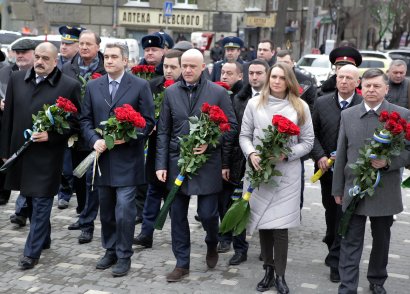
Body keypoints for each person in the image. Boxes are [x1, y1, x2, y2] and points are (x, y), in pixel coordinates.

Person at [156, 49, 237, 282]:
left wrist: (210, 145)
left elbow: (231, 126)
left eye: (193, 66)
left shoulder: (218, 93)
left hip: (207, 163)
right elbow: (163, 131)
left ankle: (212, 242)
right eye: (185, 65)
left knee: (208, 214)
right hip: (176, 162)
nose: (188, 70)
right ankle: (182, 263)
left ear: (204, 68)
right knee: (177, 214)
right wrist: (160, 164)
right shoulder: (170, 92)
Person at [0, 42, 81, 269]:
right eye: (37, 56)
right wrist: (4, 151)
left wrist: (52, 136)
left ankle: (31, 253)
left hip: (47, 156)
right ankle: (43, 239)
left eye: (46, 58)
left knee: (42, 200)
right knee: (30, 198)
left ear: (56, 62)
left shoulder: (69, 86)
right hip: (20, 153)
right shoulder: (17, 80)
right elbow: (9, 118)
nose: (39, 62)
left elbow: (76, 124)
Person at [332, 68, 410, 294]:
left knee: (381, 240)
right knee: (350, 239)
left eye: (377, 86)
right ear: (361, 88)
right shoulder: (348, 115)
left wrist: (388, 162)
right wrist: (337, 188)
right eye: (367, 86)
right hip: (353, 188)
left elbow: (408, 151)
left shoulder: (402, 115)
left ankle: (377, 280)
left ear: (386, 89)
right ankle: (347, 286)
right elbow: (341, 154)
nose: (371, 90)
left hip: (384, 190)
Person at [81, 42, 154, 277]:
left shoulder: (140, 86)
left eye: (114, 57)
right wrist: (94, 140)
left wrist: (127, 137)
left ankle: (124, 255)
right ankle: (110, 249)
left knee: (124, 209)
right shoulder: (93, 87)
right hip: (102, 160)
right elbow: (85, 120)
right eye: (107, 57)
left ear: (126, 61)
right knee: (108, 210)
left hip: (128, 160)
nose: (109, 61)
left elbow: (148, 121)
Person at [240, 63, 314, 293]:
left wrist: (287, 154)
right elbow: (244, 136)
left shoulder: (300, 106)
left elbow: (308, 142)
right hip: (260, 171)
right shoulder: (254, 104)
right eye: (273, 77)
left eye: (282, 77)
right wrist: (252, 153)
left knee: (281, 227)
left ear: (289, 80)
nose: (277, 81)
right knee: (263, 223)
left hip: (287, 174)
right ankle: (268, 270)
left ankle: (280, 275)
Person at [310, 64, 362, 283]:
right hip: (327, 172)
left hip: (354, 174)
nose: (344, 81)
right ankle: (332, 242)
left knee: (346, 216)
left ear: (357, 83)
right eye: (341, 77)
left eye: (349, 78)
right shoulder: (322, 103)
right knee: (332, 216)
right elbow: (310, 135)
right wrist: (320, 155)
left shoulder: (363, 105)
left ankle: (337, 261)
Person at [133, 49, 183, 249]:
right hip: (156, 147)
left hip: (178, 149)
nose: (168, 71)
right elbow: (143, 112)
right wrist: (149, 124)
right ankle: (146, 233)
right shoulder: (153, 85)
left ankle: (179, 235)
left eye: (173, 67)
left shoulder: (185, 88)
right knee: (153, 190)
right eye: (166, 66)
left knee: (176, 194)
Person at [224, 58, 270, 266]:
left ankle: (267, 248)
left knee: (266, 205)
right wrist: (225, 163)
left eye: (259, 73)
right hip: (240, 160)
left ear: (267, 75)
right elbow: (231, 133)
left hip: (269, 161)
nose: (254, 77)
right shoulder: (238, 99)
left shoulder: (276, 99)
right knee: (240, 203)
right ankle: (239, 248)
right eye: (251, 73)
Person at [63, 30, 106, 244]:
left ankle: (88, 221)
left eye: (89, 43)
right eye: (81, 43)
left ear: (98, 46)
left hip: (98, 133)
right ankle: (82, 213)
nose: (84, 47)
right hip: (75, 131)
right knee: (79, 177)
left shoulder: (105, 66)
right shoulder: (68, 67)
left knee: (93, 180)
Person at [0, 39, 37, 223]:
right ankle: (22, 210)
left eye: (25, 52)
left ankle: (24, 211)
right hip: (13, 128)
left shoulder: (43, 73)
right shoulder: (7, 72)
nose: (20, 55)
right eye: (17, 52)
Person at [56, 25, 85, 210]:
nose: (64, 47)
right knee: (63, 163)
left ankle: (70, 192)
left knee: (71, 165)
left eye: (69, 44)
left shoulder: (79, 66)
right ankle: (63, 192)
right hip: (62, 119)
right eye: (62, 43)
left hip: (77, 121)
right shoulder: (57, 63)